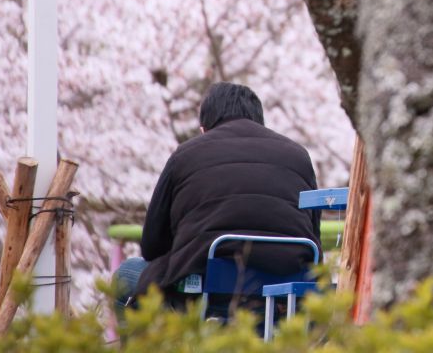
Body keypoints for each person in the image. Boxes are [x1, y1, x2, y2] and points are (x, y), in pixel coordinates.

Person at [113, 82, 320, 319]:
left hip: (204, 296)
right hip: (282, 301)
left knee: (127, 274)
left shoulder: (186, 154)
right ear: (259, 122)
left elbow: (152, 245)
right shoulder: (298, 156)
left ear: (204, 129)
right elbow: (312, 238)